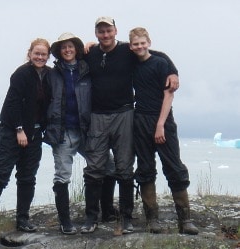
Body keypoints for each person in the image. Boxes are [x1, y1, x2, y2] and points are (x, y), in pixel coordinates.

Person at [82, 16, 179, 234]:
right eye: (101, 31)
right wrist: (86, 45)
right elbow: (67, 55)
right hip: (97, 115)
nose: (105, 35)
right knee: (94, 167)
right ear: (96, 33)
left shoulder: (128, 51)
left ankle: (125, 218)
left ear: (115, 31)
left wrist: (173, 71)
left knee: (125, 166)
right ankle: (91, 217)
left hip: (124, 113)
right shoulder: (89, 53)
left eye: (108, 30)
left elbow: (155, 55)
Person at [0, 38, 52, 235]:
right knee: (0, 175)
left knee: (27, 178)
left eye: (43, 54)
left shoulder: (50, 75)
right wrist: (19, 129)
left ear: (48, 56)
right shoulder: (21, 74)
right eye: (37, 53)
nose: (40, 57)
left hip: (34, 134)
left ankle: (22, 220)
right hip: (12, 132)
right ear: (30, 54)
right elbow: (12, 103)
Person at [45, 32, 117, 235]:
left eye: (71, 46)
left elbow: (102, 51)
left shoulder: (86, 68)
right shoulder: (53, 74)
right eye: (63, 47)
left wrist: (92, 45)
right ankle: (65, 221)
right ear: (59, 52)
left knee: (109, 165)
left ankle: (107, 211)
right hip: (63, 132)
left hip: (86, 130)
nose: (67, 50)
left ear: (76, 48)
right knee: (63, 176)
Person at [129, 27, 198, 235]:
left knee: (173, 166)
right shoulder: (130, 63)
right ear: (131, 45)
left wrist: (160, 124)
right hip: (139, 119)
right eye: (135, 44)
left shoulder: (160, 63)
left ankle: (185, 220)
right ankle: (152, 219)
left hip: (163, 120)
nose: (139, 47)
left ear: (149, 42)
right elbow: (112, 49)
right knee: (145, 167)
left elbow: (169, 95)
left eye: (142, 43)